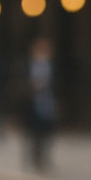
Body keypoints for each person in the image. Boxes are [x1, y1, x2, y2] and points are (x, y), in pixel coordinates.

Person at [22, 36, 56, 172]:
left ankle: (43, 156)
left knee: (46, 132)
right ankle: (35, 156)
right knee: (34, 132)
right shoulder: (28, 66)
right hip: (33, 104)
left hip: (47, 104)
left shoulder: (51, 67)